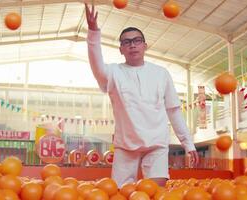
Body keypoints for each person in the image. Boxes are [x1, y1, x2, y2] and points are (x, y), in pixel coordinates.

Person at [85, 3, 199, 187]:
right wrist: (93, 34)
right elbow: (97, 66)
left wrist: (188, 143)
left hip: (156, 144)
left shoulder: (161, 73)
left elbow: (173, 111)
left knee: (155, 191)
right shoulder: (113, 72)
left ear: (145, 45)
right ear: (121, 49)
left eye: (137, 40)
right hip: (125, 146)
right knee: (121, 194)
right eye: (126, 42)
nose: (132, 45)